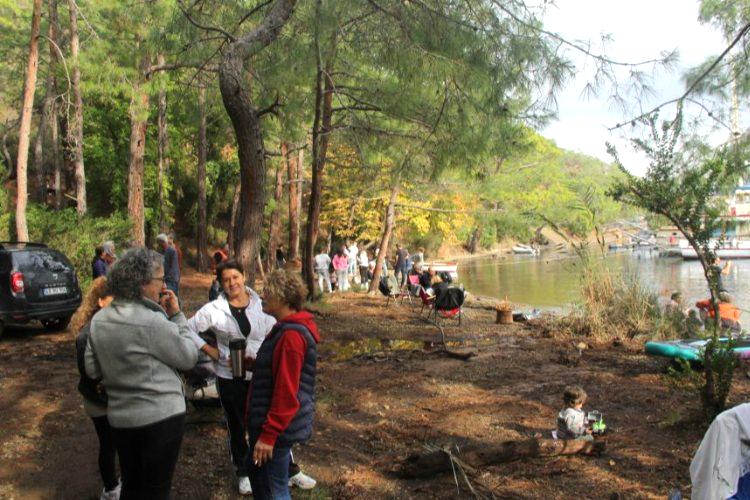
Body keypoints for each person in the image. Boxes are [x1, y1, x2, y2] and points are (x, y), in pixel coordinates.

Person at [187, 260, 315, 495]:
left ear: (244, 276)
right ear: (220, 283)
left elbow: (286, 389)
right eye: (226, 280)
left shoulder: (262, 305)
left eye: (235, 277)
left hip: (261, 375)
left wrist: (258, 364)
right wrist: (212, 351)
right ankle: (244, 471)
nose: (232, 283)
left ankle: (289, 469)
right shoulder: (214, 309)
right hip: (232, 374)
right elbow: (187, 329)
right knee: (237, 425)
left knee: (271, 425)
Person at [85, 248, 199, 499]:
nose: (163, 285)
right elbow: (189, 357)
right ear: (142, 282)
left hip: (121, 419)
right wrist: (177, 315)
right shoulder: (152, 322)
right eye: (160, 279)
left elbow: (92, 370)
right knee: (157, 490)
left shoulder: (99, 320)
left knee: (132, 486)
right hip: (161, 419)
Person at [248, 269, 320, 500]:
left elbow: (287, 392)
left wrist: (269, 435)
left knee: (271, 489)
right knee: (269, 484)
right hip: (276, 427)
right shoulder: (286, 330)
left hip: (276, 430)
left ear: (283, 297)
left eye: (267, 291)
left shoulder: (290, 336)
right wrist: (256, 365)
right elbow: (281, 373)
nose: (262, 295)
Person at [73, 277, 119, 500]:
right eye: (114, 300)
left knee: (121, 441)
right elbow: (88, 373)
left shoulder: (115, 325)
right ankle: (110, 488)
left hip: (116, 398)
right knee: (108, 444)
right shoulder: (87, 333)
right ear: (100, 302)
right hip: (98, 400)